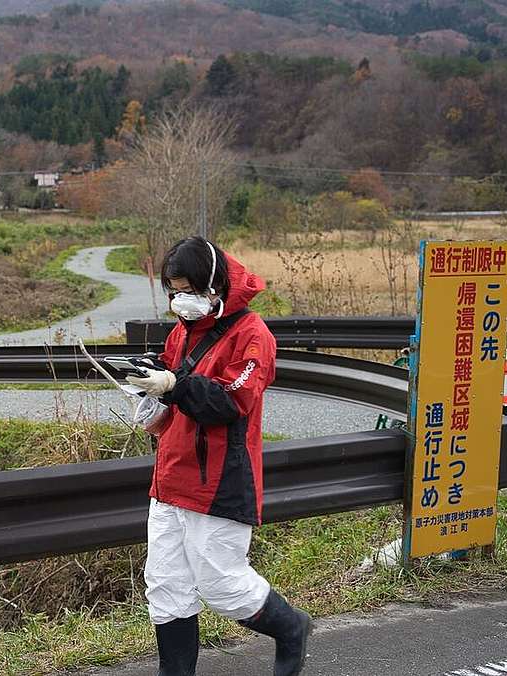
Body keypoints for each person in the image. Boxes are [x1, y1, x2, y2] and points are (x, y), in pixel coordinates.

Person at [126, 237, 312, 676]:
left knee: (222, 584)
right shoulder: (182, 331)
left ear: (215, 284)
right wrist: (149, 374)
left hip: (220, 481)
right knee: (166, 584)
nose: (180, 300)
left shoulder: (253, 335)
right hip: (170, 477)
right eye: (173, 291)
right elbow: (174, 383)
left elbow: (231, 400)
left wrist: (174, 385)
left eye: (188, 289)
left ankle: (291, 629)